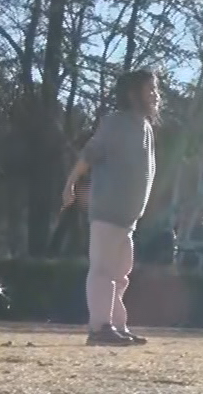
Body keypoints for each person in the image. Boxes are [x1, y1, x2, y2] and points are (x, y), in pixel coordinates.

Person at [61, 69, 159, 347]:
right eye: (148, 88)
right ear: (132, 93)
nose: (154, 94)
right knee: (102, 270)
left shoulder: (146, 127)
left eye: (155, 88)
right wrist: (70, 183)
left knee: (120, 274)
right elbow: (90, 154)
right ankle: (99, 327)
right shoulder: (115, 122)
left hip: (128, 218)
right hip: (107, 212)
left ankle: (116, 324)